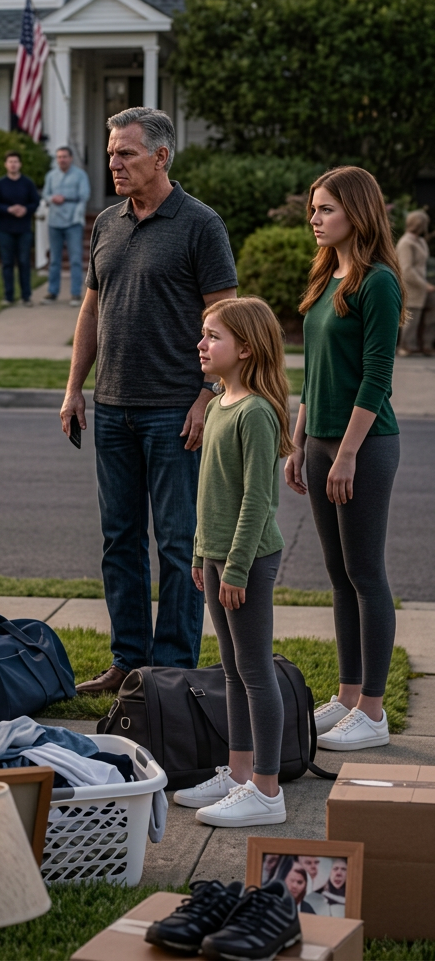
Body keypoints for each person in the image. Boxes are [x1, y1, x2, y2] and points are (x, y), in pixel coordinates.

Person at [60, 107, 237, 695]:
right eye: (111, 152)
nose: (113, 163)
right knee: (120, 540)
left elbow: (227, 321)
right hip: (112, 407)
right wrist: (74, 389)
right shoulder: (107, 224)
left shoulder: (201, 225)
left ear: (161, 157)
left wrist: (207, 395)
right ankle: (128, 662)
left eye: (126, 153)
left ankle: (172, 671)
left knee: (180, 544)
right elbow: (91, 310)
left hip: (174, 411)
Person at [286, 166, 405, 751]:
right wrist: (299, 442)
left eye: (326, 208)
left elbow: (376, 378)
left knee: (365, 573)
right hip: (320, 442)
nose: (314, 218)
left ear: (356, 213)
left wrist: (347, 454)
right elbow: (315, 374)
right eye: (314, 208)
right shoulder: (325, 275)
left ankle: (373, 713)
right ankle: (349, 694)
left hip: (365, 444)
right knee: (338, 576)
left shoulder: (377, 282)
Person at [173, 297, 292, 828]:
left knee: (255, 671)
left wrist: (238, 567)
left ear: (245, 348)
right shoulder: (221, 402)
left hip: (248, 559)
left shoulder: (256, 413)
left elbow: (256, 500)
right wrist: (202, 552)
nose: (201, 344)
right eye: (203, 334)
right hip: (218, 556)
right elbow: (209, 493)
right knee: (232, 669)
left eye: (213, 336)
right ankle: (239, 773)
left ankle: (266, 790)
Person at [41, 146, 90, 306]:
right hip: (54, 221)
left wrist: (65, 197)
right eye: (59, 157)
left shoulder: (80, 175)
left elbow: (84, 195)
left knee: (75, 259)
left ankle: (75, 294)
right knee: (54, 259)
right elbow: (45, 194)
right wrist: (52, 198)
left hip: (73, 221)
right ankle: (52, 292)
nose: (62, 160)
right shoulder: (51, 175)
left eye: (64, 157)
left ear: (70, 158)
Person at [0, 151, 41, 305]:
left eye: (15, 161)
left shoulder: (27, 183)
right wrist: (8, 209)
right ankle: (8, 296)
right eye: (10, 162)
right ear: (5, 164)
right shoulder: (0, 184)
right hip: (5, 229)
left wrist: (25, 209)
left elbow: (36, 202)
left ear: (20, 164)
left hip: (24, 229)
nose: (13, 164)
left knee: (24, 263)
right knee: (7, 263)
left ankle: (26, 296)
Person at [395, 209, 432, 355]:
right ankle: (405, 346)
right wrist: (425, 285)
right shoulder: (406, 243)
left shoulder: (421, 241)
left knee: (430, 312)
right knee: (411, 317)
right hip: (411, 286)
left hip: (422, 286)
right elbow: (406, 269)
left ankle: (425, 344)